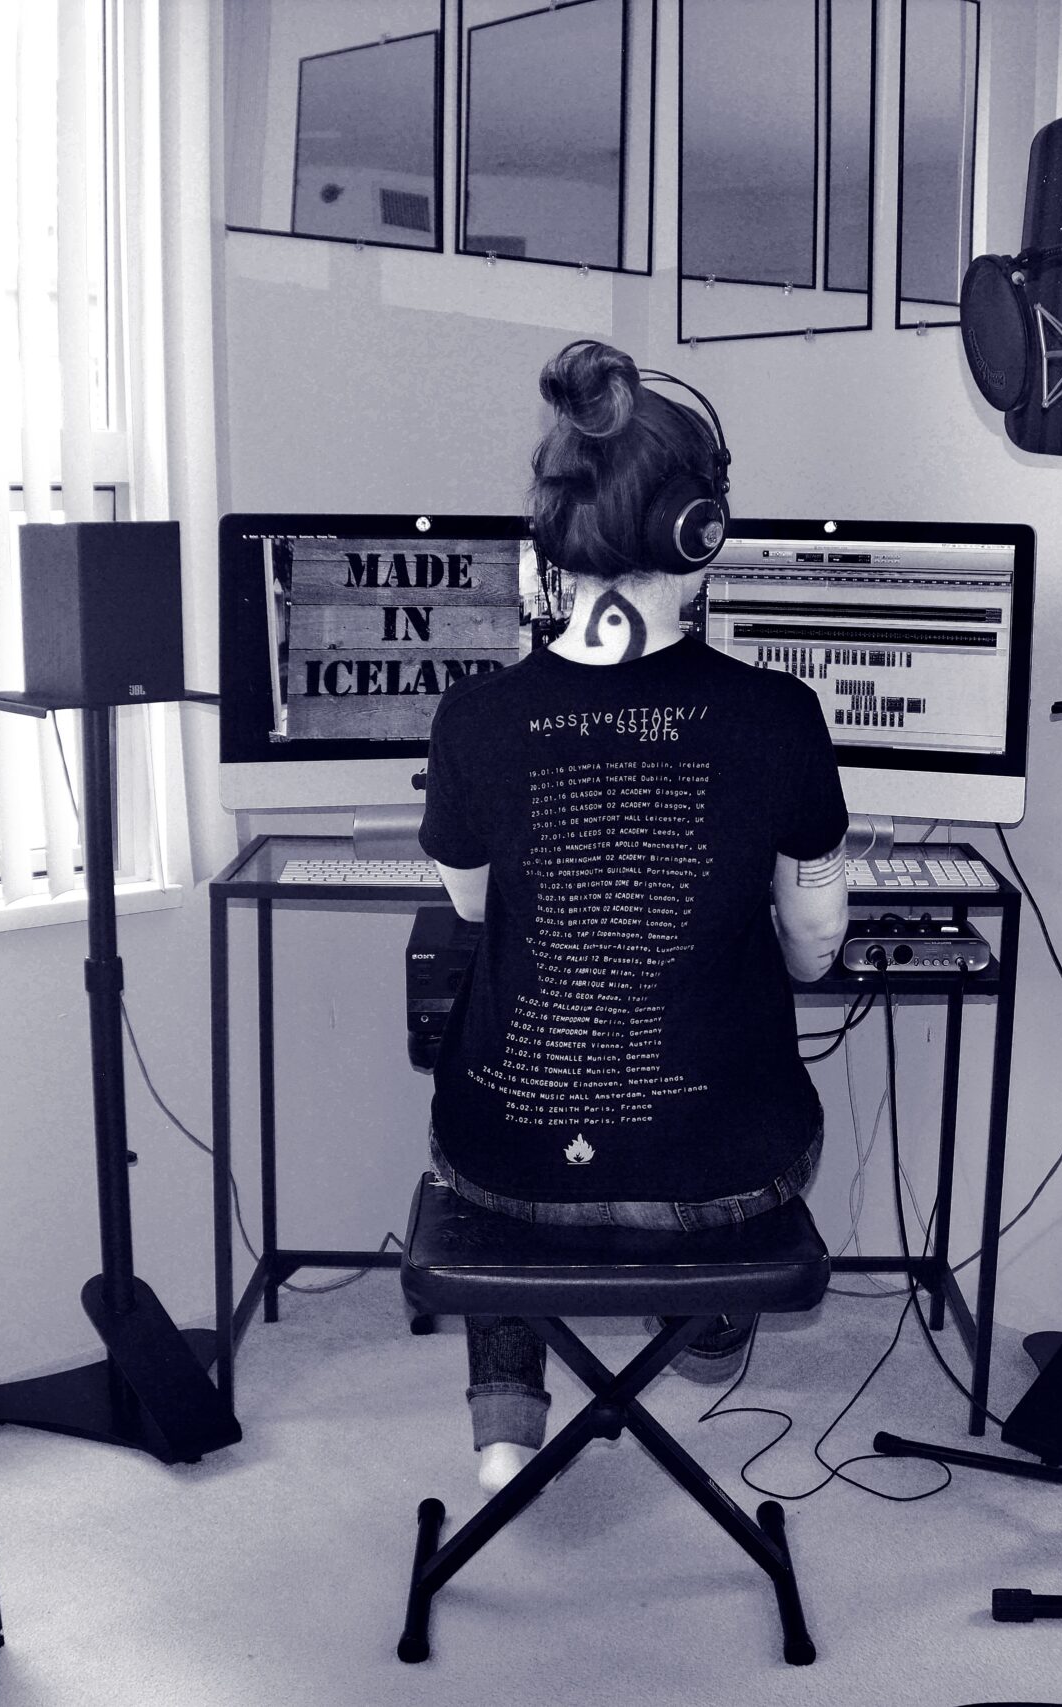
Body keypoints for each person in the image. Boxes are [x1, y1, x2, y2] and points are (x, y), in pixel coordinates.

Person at [418, 339, 851, 1495]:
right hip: (724, 1178)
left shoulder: (476, 716)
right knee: (734, 1111)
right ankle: (704, 1330)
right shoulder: (778, 715)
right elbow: (815, 952)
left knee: (493, 1103)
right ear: (700, 531)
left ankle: (506, 1418)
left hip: (508, 1169)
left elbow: (472, 904)